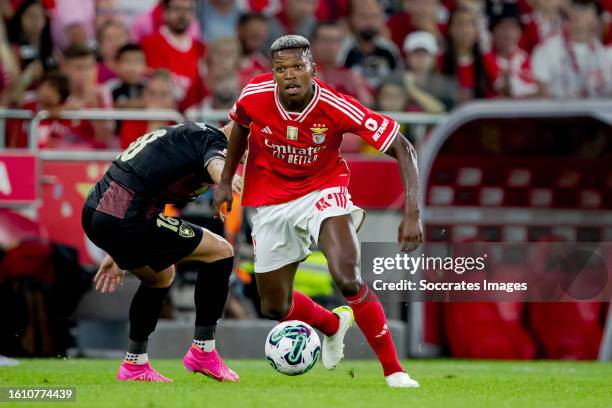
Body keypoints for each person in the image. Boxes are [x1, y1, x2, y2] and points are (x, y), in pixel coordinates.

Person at [214, 35, 423, 388]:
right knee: (275, 306)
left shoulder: (337, 105)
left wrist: (413, 212)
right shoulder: (254, 95)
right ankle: (330, 324)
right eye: (281, 69)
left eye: (298, 66)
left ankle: (394, 369)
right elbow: (240, 127)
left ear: (313, 68)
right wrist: (225, 179)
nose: (290, 75)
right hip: (271, 200)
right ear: (273, 72)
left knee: (347, 276)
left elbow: (403, 147)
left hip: (323, 191)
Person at [82, 121, 242, 382]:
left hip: (99, 211)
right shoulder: (214, 142)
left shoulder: (191, 134)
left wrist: (116, 249)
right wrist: (226, 179)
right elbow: (216, 162)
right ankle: (203, 351)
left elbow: (140, 180)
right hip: (125, 218)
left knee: (161, 276)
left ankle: (135, 364)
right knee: (221, 251)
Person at [531, 0, 612, 99]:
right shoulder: (546, 50)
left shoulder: (606, 54)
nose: (578, 14)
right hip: (560, 113)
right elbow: (542, 96)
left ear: (596, 18)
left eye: (585, 9)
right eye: (575, 8)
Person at [140, 0, 207, 111]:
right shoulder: (148, 44)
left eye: (187, 10)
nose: (182, 15)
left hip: (192, 120)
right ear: (165, 12)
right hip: (160, 117)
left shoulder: (201, 48)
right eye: (176, 9)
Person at [339, 0, 403, 89]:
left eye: (374, 16)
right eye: (363, 16)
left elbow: (398, 80)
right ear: (351, 18)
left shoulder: (389, 49)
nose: (369, 21)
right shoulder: (343, 49)